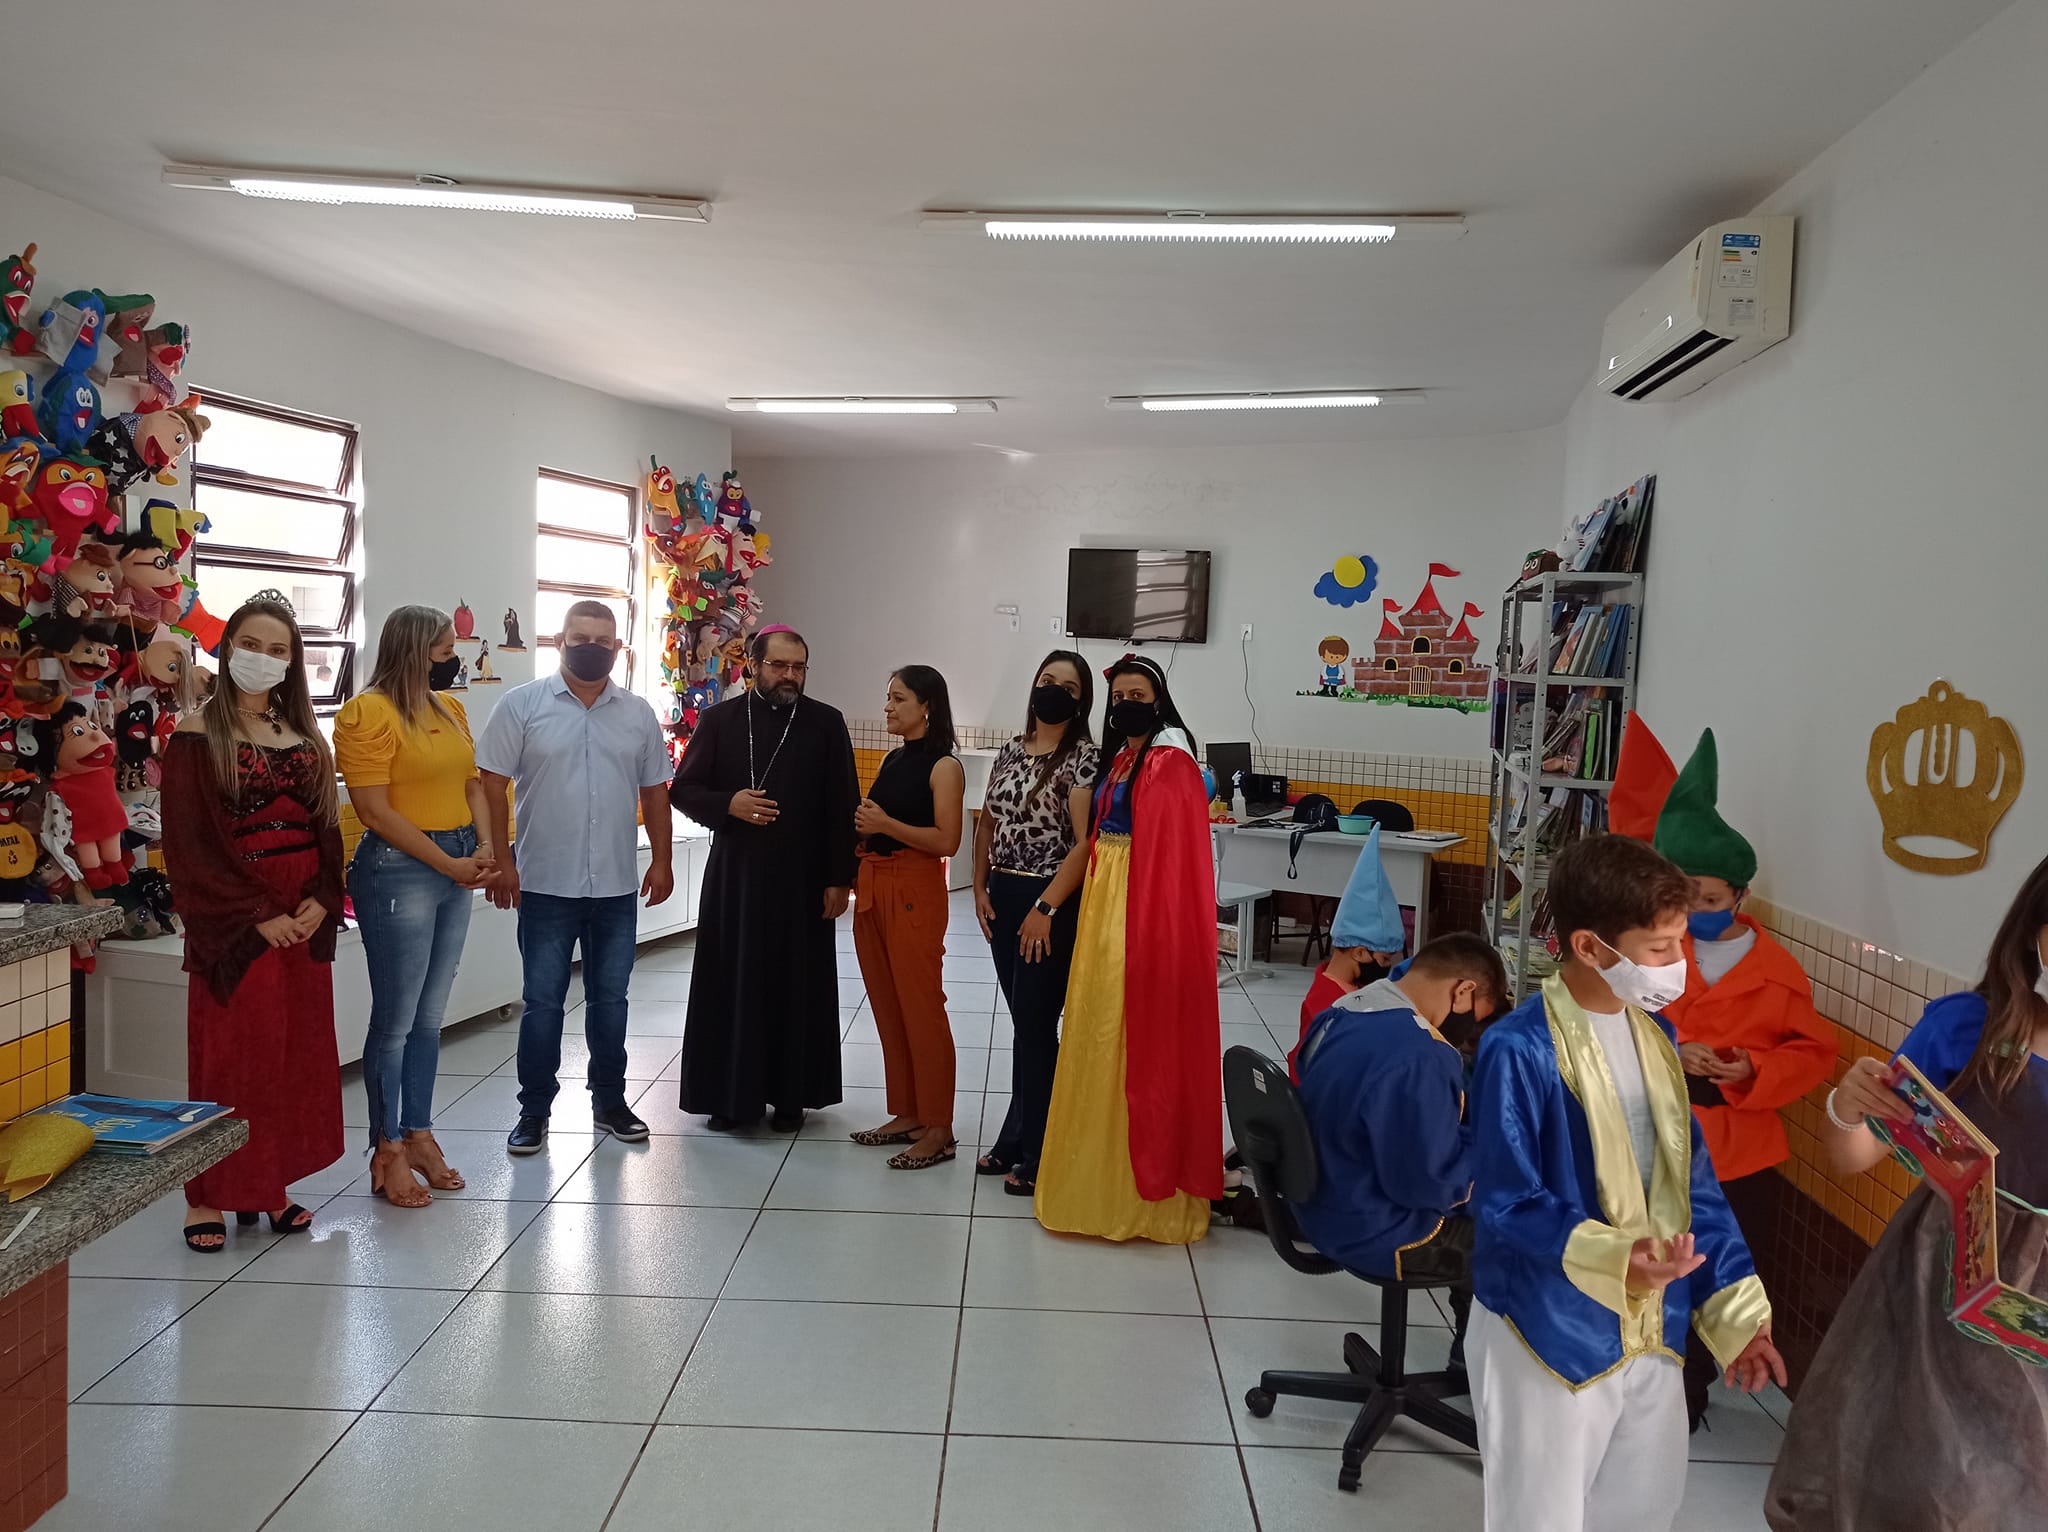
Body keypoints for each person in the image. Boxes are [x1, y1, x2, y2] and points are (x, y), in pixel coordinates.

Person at [1468, 833, 1784, 1532]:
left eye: (1680, 944)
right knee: (1541, 1517)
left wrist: (1738, 1320)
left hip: (1651, 1329)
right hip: (1546, 1328)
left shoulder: (1657, 1039)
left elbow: (1693, 1188)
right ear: (1590, 947)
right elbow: (1505, 1204)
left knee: (1643, 1509)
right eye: (1660, 948)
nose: (1678, 964)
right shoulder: (1519, 1049)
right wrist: (1619, 1258)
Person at [1764, 852, 2048, 1530]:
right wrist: (1848, 1107)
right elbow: (1853, 1156)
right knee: (1925, 1485)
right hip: (1939, 1291)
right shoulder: (1971, 1028)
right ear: (2034, 930)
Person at [1647, 728, 1836, 1429]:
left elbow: (1814, 1053)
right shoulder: (1653, 951)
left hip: (1740, 1145)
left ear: (1741, 894)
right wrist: (1677, 1048)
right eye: (1682, 897)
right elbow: (1617, 1023)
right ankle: (1647, 1373)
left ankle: (1694, 1381)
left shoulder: (1776, 971)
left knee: (1720, 1266)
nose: (1694, 910)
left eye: (1707, 897)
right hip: (1655, 1131)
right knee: (1653, 1259)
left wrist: (1754, 1067)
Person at [161, 595, 346, 1252]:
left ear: (292, 662)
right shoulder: (194, 733)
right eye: (251, 645)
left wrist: (324, 896)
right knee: (234, 1055)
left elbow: (326, 827)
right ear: (227, 647)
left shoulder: (304, 734)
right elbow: (190, 844)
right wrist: (258, 914)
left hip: (303, 911)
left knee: (290, 1054)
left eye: (277, 650)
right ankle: (208, 1195)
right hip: (237, 916)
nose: (262, 658)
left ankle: (270, 1184)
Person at [1035, 653, 1222, 1244]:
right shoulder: (1124, 756)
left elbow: (1170, 856)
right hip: (1107, 900)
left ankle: (1138, 1195)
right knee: (1098, 1023)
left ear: (1159, 701)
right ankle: (1090, 1179)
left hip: (1139, 907)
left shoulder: (1169, 759)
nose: (1125, 705)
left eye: (1137, 696)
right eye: (1118, 697)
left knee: (1130, 1025)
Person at [475, 601, 674, 1155]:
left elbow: (655, 792)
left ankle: (610, 1102)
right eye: (580, 637)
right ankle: (533, 1111)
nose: (591, 647)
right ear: (559, 641)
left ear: (617, 648)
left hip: (615, 886)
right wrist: (502, 861)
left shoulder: (637, 713)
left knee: (611, 1001)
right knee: (542, 1004)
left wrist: (662, 859)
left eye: (603, 641)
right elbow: (491, 787)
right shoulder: (521, 705)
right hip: (543, 883)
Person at [333, 605, 496, 1207]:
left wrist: (482, 848)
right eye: (446, 649)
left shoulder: (450, 707)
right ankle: (388, 1148)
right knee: (396, 1021)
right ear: (415, 651)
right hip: (400, 868)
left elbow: (473, 785)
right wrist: (448, 864)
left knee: (430, 1019)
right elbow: (373, 811)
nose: (454, 658)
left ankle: (420, 1134)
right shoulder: (367, 713)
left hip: (457, 858)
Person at [1292, 933, 1510, 1369]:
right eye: (1476, 1017)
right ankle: (1474, 1365)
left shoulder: (1345, 1007)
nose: (1468, 1034)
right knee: (1513, 1234)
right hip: (1377, 1228)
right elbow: (1434, 1187)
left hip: (1315, 1201)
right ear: (1463, 991)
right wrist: (1494, 1156)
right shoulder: (1423, 1054)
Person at [672, 626, 858, 1132]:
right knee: (733, 982)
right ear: (753, 666)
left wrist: (840, 878)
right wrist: (727, 804)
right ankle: (730, 1099)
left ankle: (791, 1095)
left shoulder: (825, 722)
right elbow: (683, 789)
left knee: (797, 983)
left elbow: (842, 805)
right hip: (737, 879)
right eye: (779, 666)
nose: (789, 676)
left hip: (804, 879)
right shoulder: (719, 720)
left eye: (798, 667)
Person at [971, 650, 1097, 1196]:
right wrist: (979, 886)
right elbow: (987, 822)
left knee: (1037, 1024)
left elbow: (1085, 842)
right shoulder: (1009, 749)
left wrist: (1045, 909)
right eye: (1047, 681)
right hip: (1003, 893)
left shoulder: (1084, 757)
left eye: (1068, 688)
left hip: (1049, 900)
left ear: (1081, 701)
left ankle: (1041, 1151)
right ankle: (1016, 1136)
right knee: (1023, 1023)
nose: (1054, 692)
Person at [848, 665, 965, 1169]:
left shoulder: (945, 767)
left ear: (927, 706)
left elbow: (947, 841)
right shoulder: (894, 758)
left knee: (922, 1007)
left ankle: (939, 1127)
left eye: (898, 698)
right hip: (874, 883)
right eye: (888, 697)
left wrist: (885, 823)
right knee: (888, 1004)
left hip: (914, 887)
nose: (888, 707)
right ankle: (909, 1112)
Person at [1291, 822, 1410, 1079]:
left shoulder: (1343, 988)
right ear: (1359, 953)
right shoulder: (1328, 1009)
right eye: (1385, 959)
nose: (1387, 968)